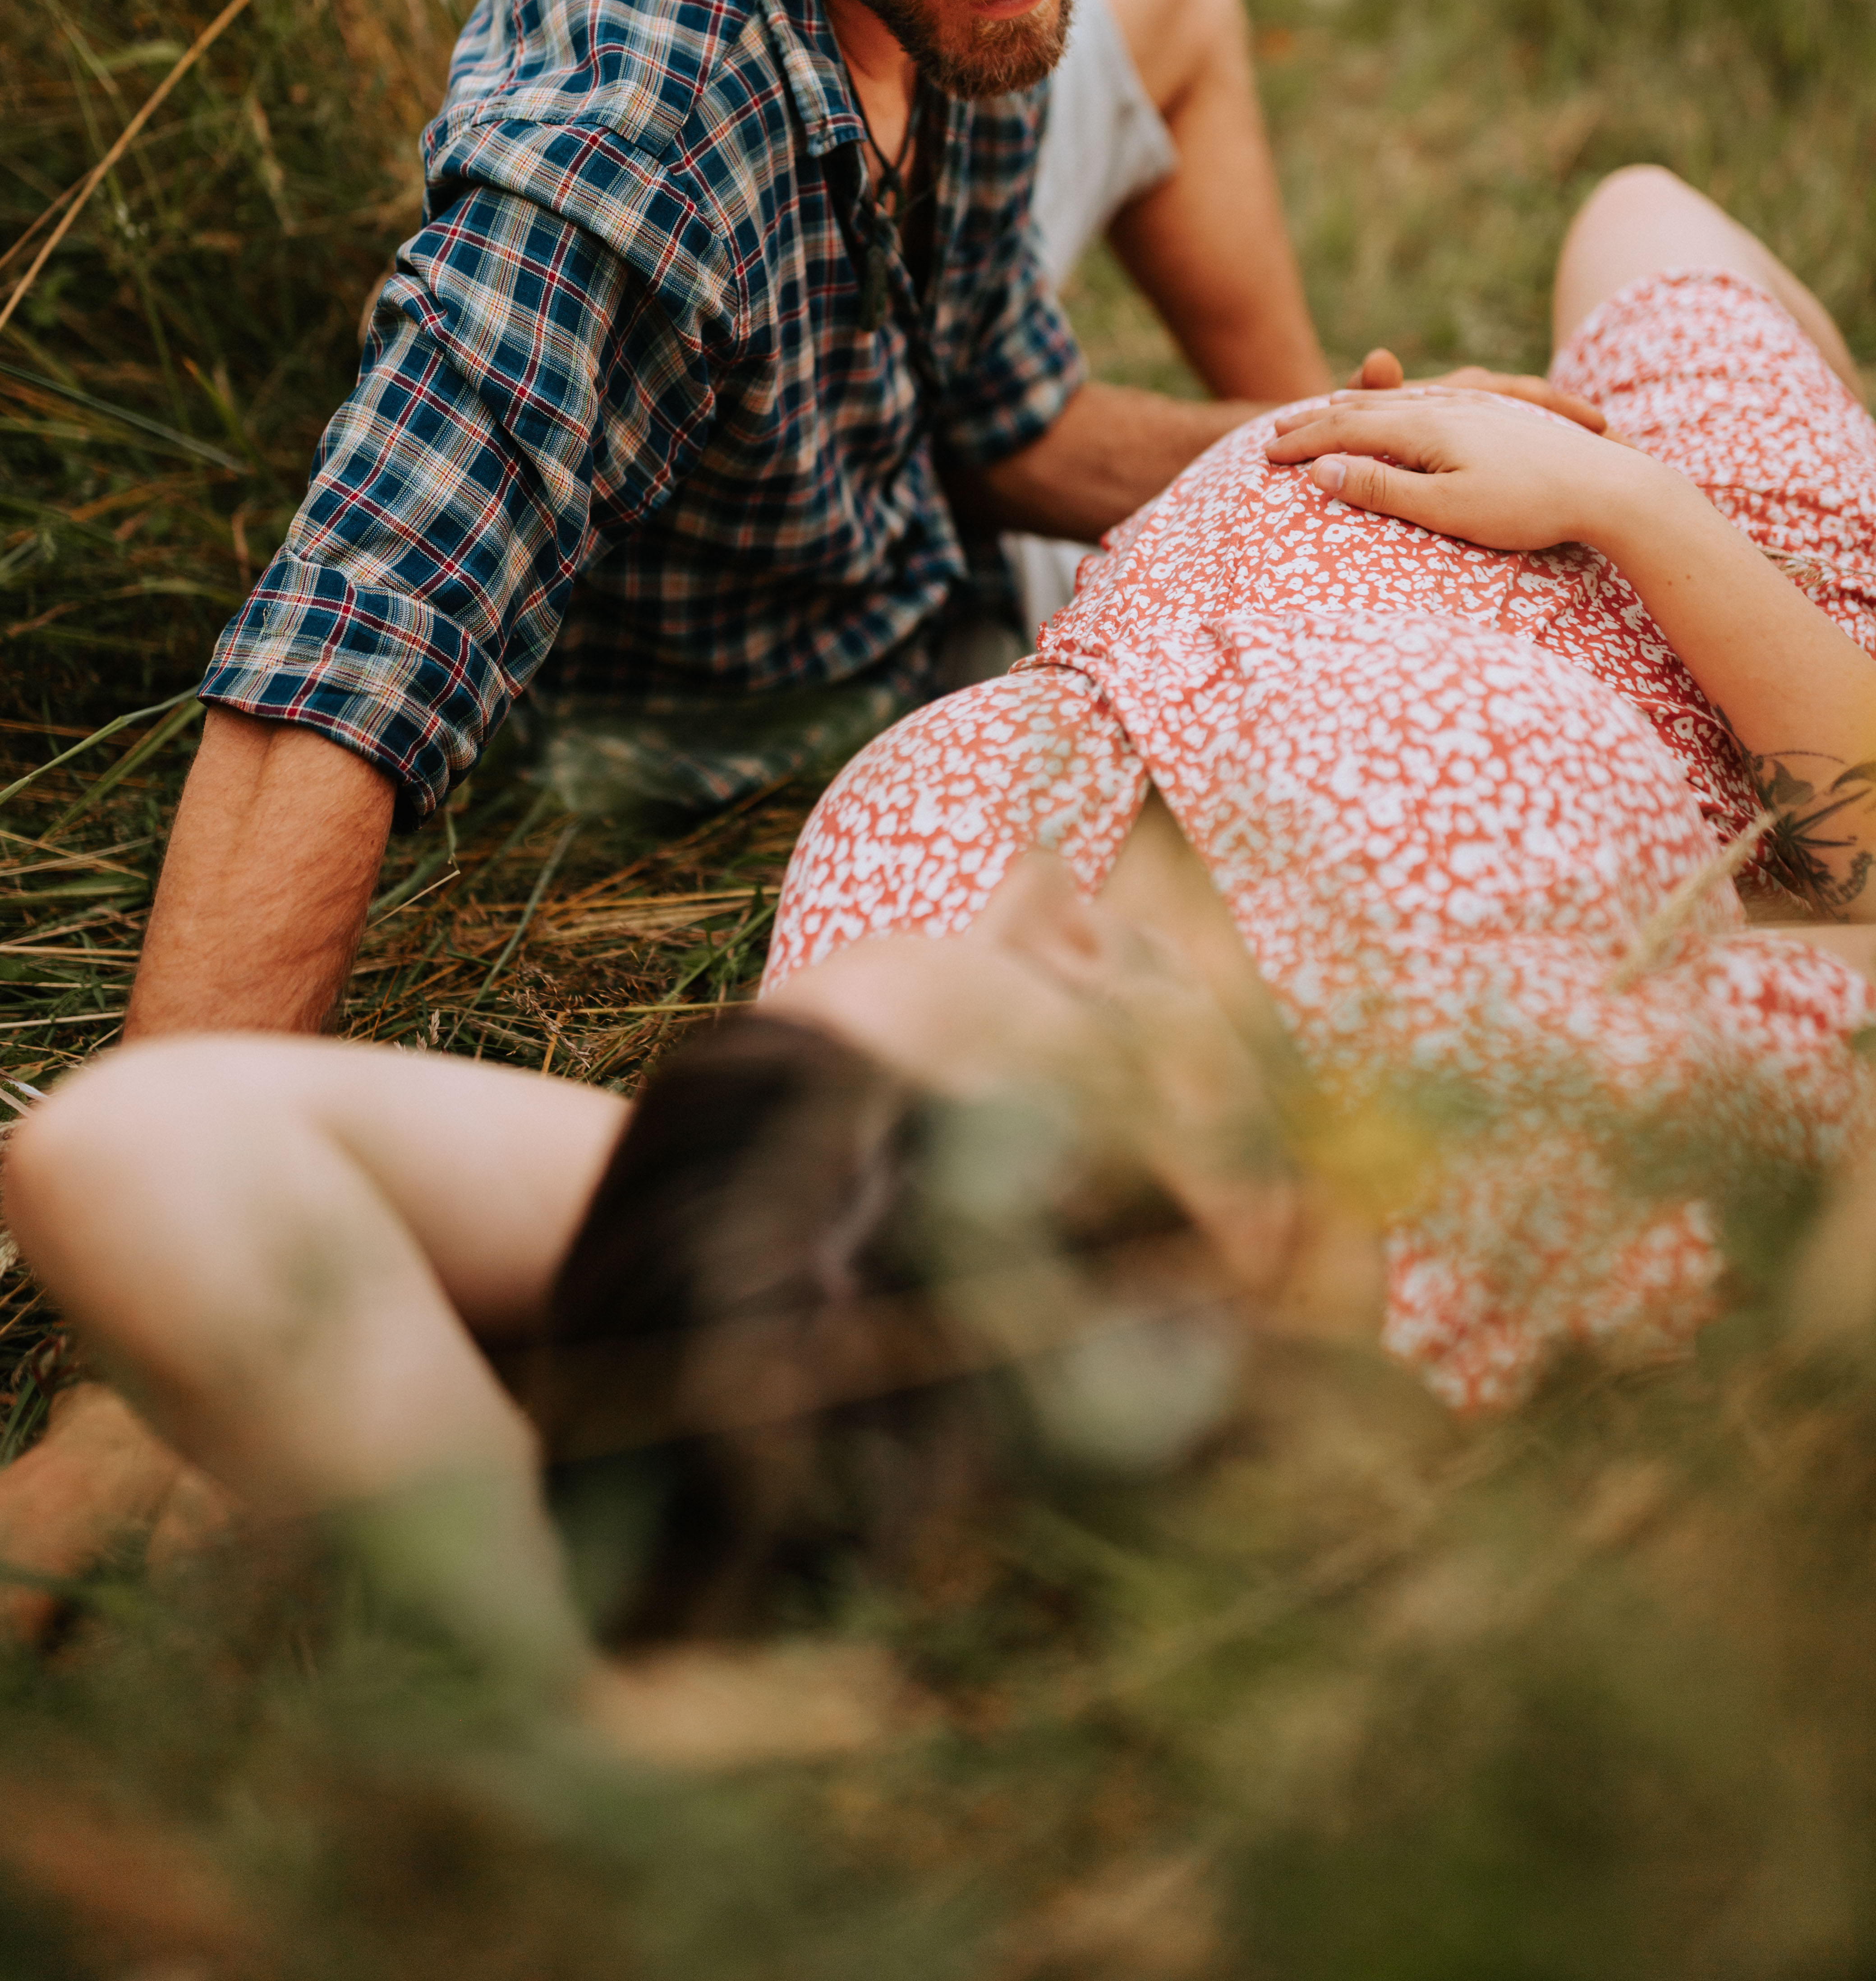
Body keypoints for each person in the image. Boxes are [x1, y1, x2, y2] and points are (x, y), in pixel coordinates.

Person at [4, 165, 1872, 1684]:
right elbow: (1852, 860)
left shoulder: (820, 1233)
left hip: (1316, 505)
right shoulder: (1521, 1170)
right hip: (1715, 569)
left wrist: (563, 1678)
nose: (1050, 912)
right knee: (1637, 213)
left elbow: (132, 1147)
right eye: (1099, 994)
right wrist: (1616, 503)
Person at [120, 0, 1584, 1050]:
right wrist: (188, 1145)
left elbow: (1003, 419)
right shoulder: (628, 152)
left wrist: (1335, 452)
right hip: (801, 689)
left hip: (919, 468)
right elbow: (348, 647)